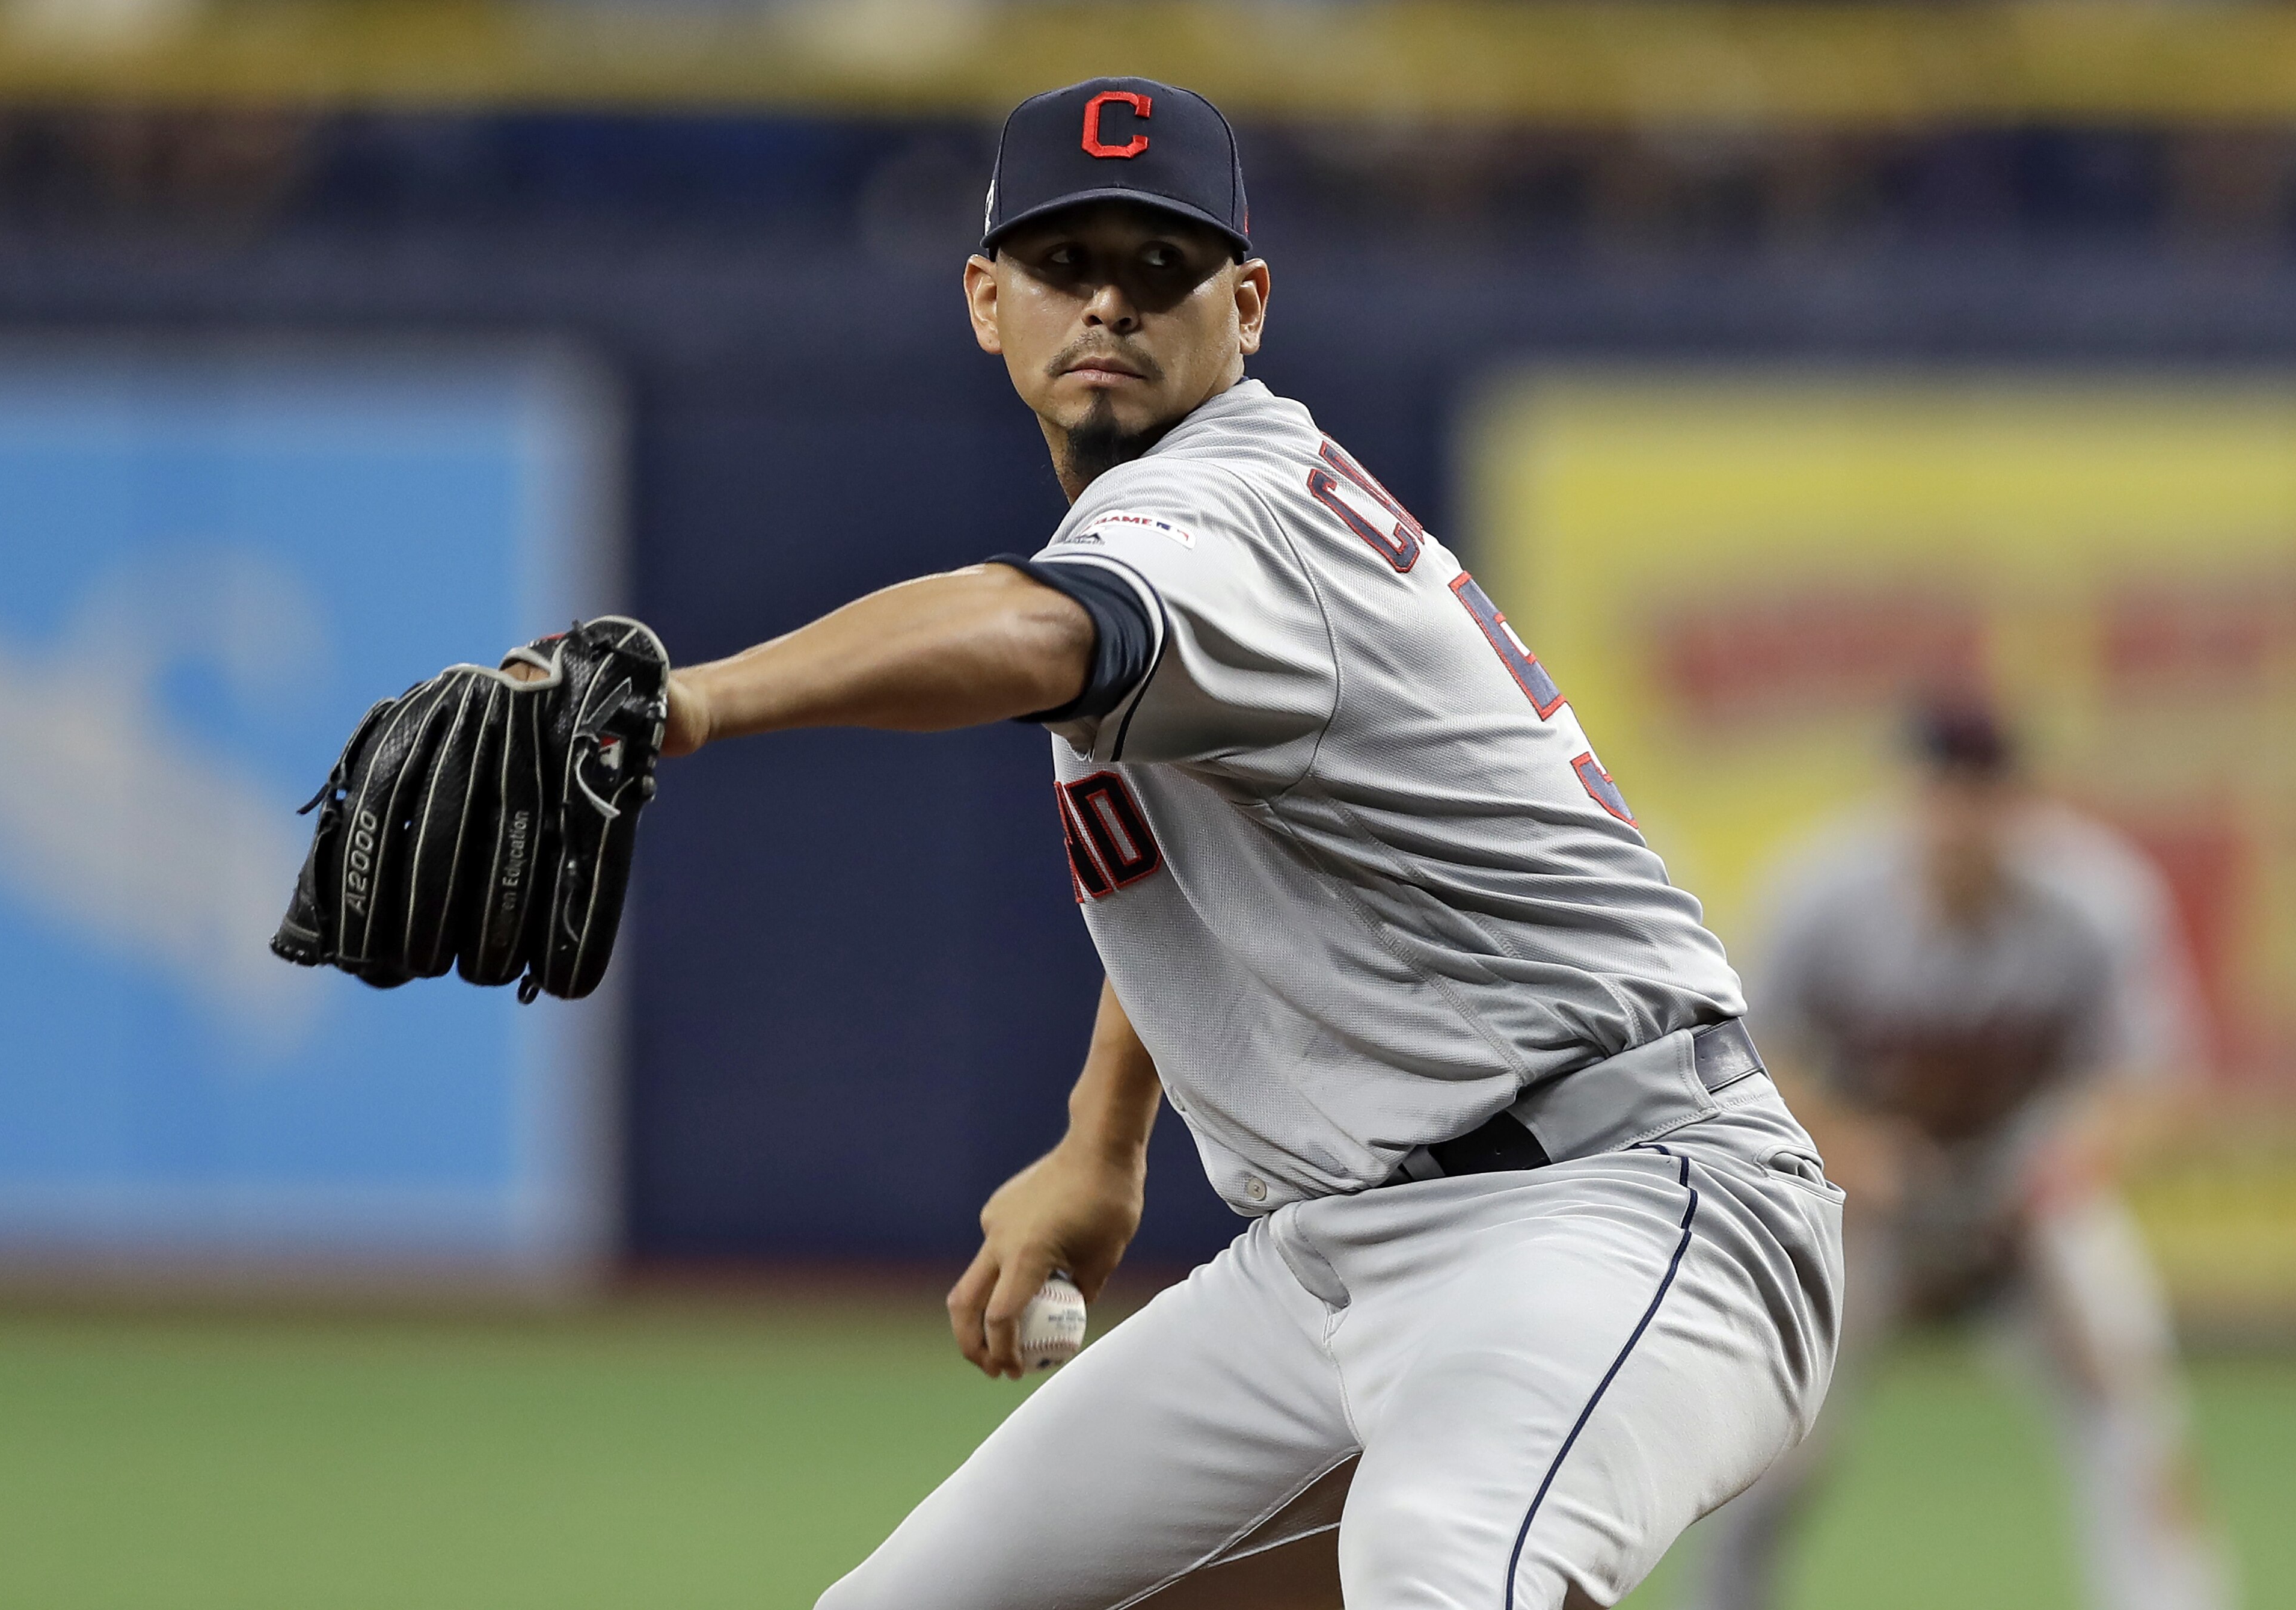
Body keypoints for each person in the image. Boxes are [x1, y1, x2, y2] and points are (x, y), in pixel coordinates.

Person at [654, 78, 1842, 1609]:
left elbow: (1033, 630)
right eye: (1060, 261)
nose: (1106, 301)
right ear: (983, 299)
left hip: (1613, 1203)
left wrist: (688, 703)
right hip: (1330, 1255)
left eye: (1160, 267)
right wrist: (1103, 1141)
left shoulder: (1229, 508)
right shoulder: (1164, 533)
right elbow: (1195, 848)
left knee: (1443, 1580)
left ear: (1247, 303)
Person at [1682, 703, 2233, 1610]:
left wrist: (2073, 1155)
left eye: (1984, 796)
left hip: (2026, 1192)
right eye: (1942, 793)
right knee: (1775, 1427)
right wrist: (1851, 1145)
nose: (1962, 818)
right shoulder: (1825, 888)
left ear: (2024, 803)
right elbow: (1738, 1051)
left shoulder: (2096, 895)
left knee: (2133, 1410)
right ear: (1907, 796)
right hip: (1868, 1198)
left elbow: (2154, 1078)